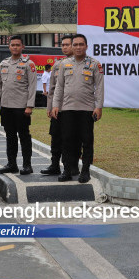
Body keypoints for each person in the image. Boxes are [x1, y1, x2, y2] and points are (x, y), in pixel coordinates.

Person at [50, 33, 104, 184]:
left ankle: (85, 171)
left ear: (86, 46)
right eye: (76, 45)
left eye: (81, 44)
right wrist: (56, 105)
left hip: (86, 109)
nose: (78, 47)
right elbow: (59, 87)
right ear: (72, 47)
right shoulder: (64, 64)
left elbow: (99, 87)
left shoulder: (95, 64)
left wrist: (98, 107)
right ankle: (67, 170)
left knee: (86, 140)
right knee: (67, 140)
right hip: (67, 108)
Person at [0, 35, 37, 175]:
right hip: (6, 106)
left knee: (24, 136)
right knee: (10, 136)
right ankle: (12, 164)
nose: (15, 47)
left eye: (18, 45)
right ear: (9, 47)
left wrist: (30, 106)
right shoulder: (3, 63)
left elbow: (32, 86)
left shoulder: (29, 64)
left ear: (22, 47)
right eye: (12, 45)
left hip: (21, 107)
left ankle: (27, 165)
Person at [40, 35, 75, 176]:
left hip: (72, 108)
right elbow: (52, 89)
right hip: (57, 108)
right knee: (55, 137)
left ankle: (71, 167)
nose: (65, 47)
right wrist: (49, 107)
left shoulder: (80, 63)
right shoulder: (57, 65)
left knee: (71, 138)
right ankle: (54, 165)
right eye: (63, 44)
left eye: (68, 44)